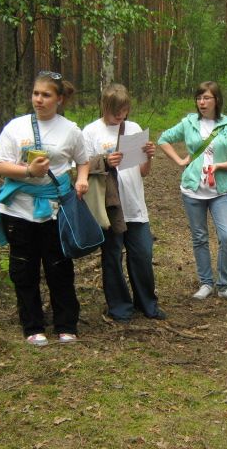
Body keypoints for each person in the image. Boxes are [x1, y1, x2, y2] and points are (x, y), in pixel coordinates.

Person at [0, 70, 89, 346]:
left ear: (59, 100)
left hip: (56, 210)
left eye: (46, 95)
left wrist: (81, 179)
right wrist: (28, 171)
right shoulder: (15, 127)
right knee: (24, 268)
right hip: (18, 210)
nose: (39, 100)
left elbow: (83, 160)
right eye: (36, 94)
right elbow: (0, 165)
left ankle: (66, 325)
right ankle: (32, 326)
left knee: (59, 267)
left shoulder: (70, 130)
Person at [82, 83, 166, 323]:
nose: (120, 116)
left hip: (134, 203)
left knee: (142, 254)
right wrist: (106, 162)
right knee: (112, 255)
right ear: (104, 107)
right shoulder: (91, 132)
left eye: (124, 110)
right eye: (115, 111)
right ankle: (120, 307)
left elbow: (143, 172)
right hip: (109, 205)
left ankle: (147, 304)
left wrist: (149, 157)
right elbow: (83, 168)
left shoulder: (133, 128)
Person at [157, 81, 227, 303]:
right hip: (192, 190)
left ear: (217, 100)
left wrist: (220, 166)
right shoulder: (189, 123)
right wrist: (179, 160)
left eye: (206, 98)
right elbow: (163, 139)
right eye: (199, 98)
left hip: (219, 191)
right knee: (199, 238)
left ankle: (224, 285)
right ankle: (206, 283)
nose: (202, 102)